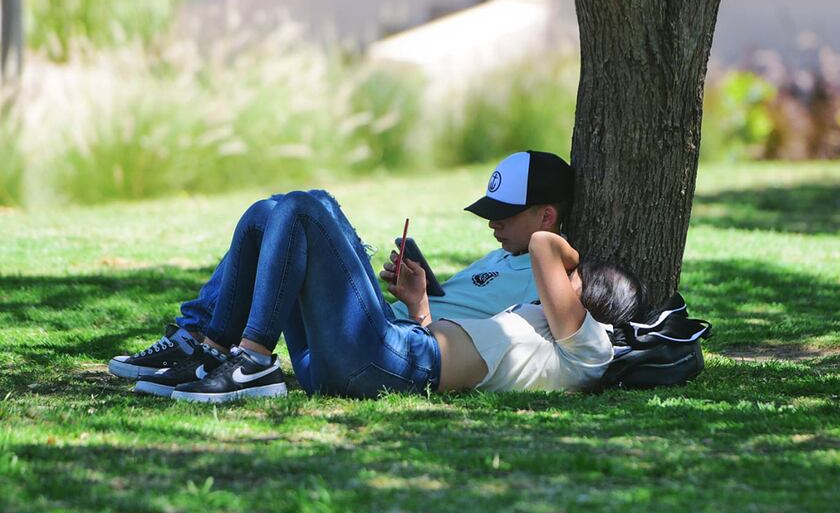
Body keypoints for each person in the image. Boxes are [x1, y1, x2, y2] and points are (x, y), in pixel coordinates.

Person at [108, 151, 577, 395]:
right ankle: (205, 345)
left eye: (504, 215)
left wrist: (420, 317)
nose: (493, 224)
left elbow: (490, 351)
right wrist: (418, 300)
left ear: (546, 216)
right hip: (372, 338)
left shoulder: (550, 275)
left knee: (307, 208)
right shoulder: (498, 257)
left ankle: (253, 360)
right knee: (267, 212)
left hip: (391, 353)